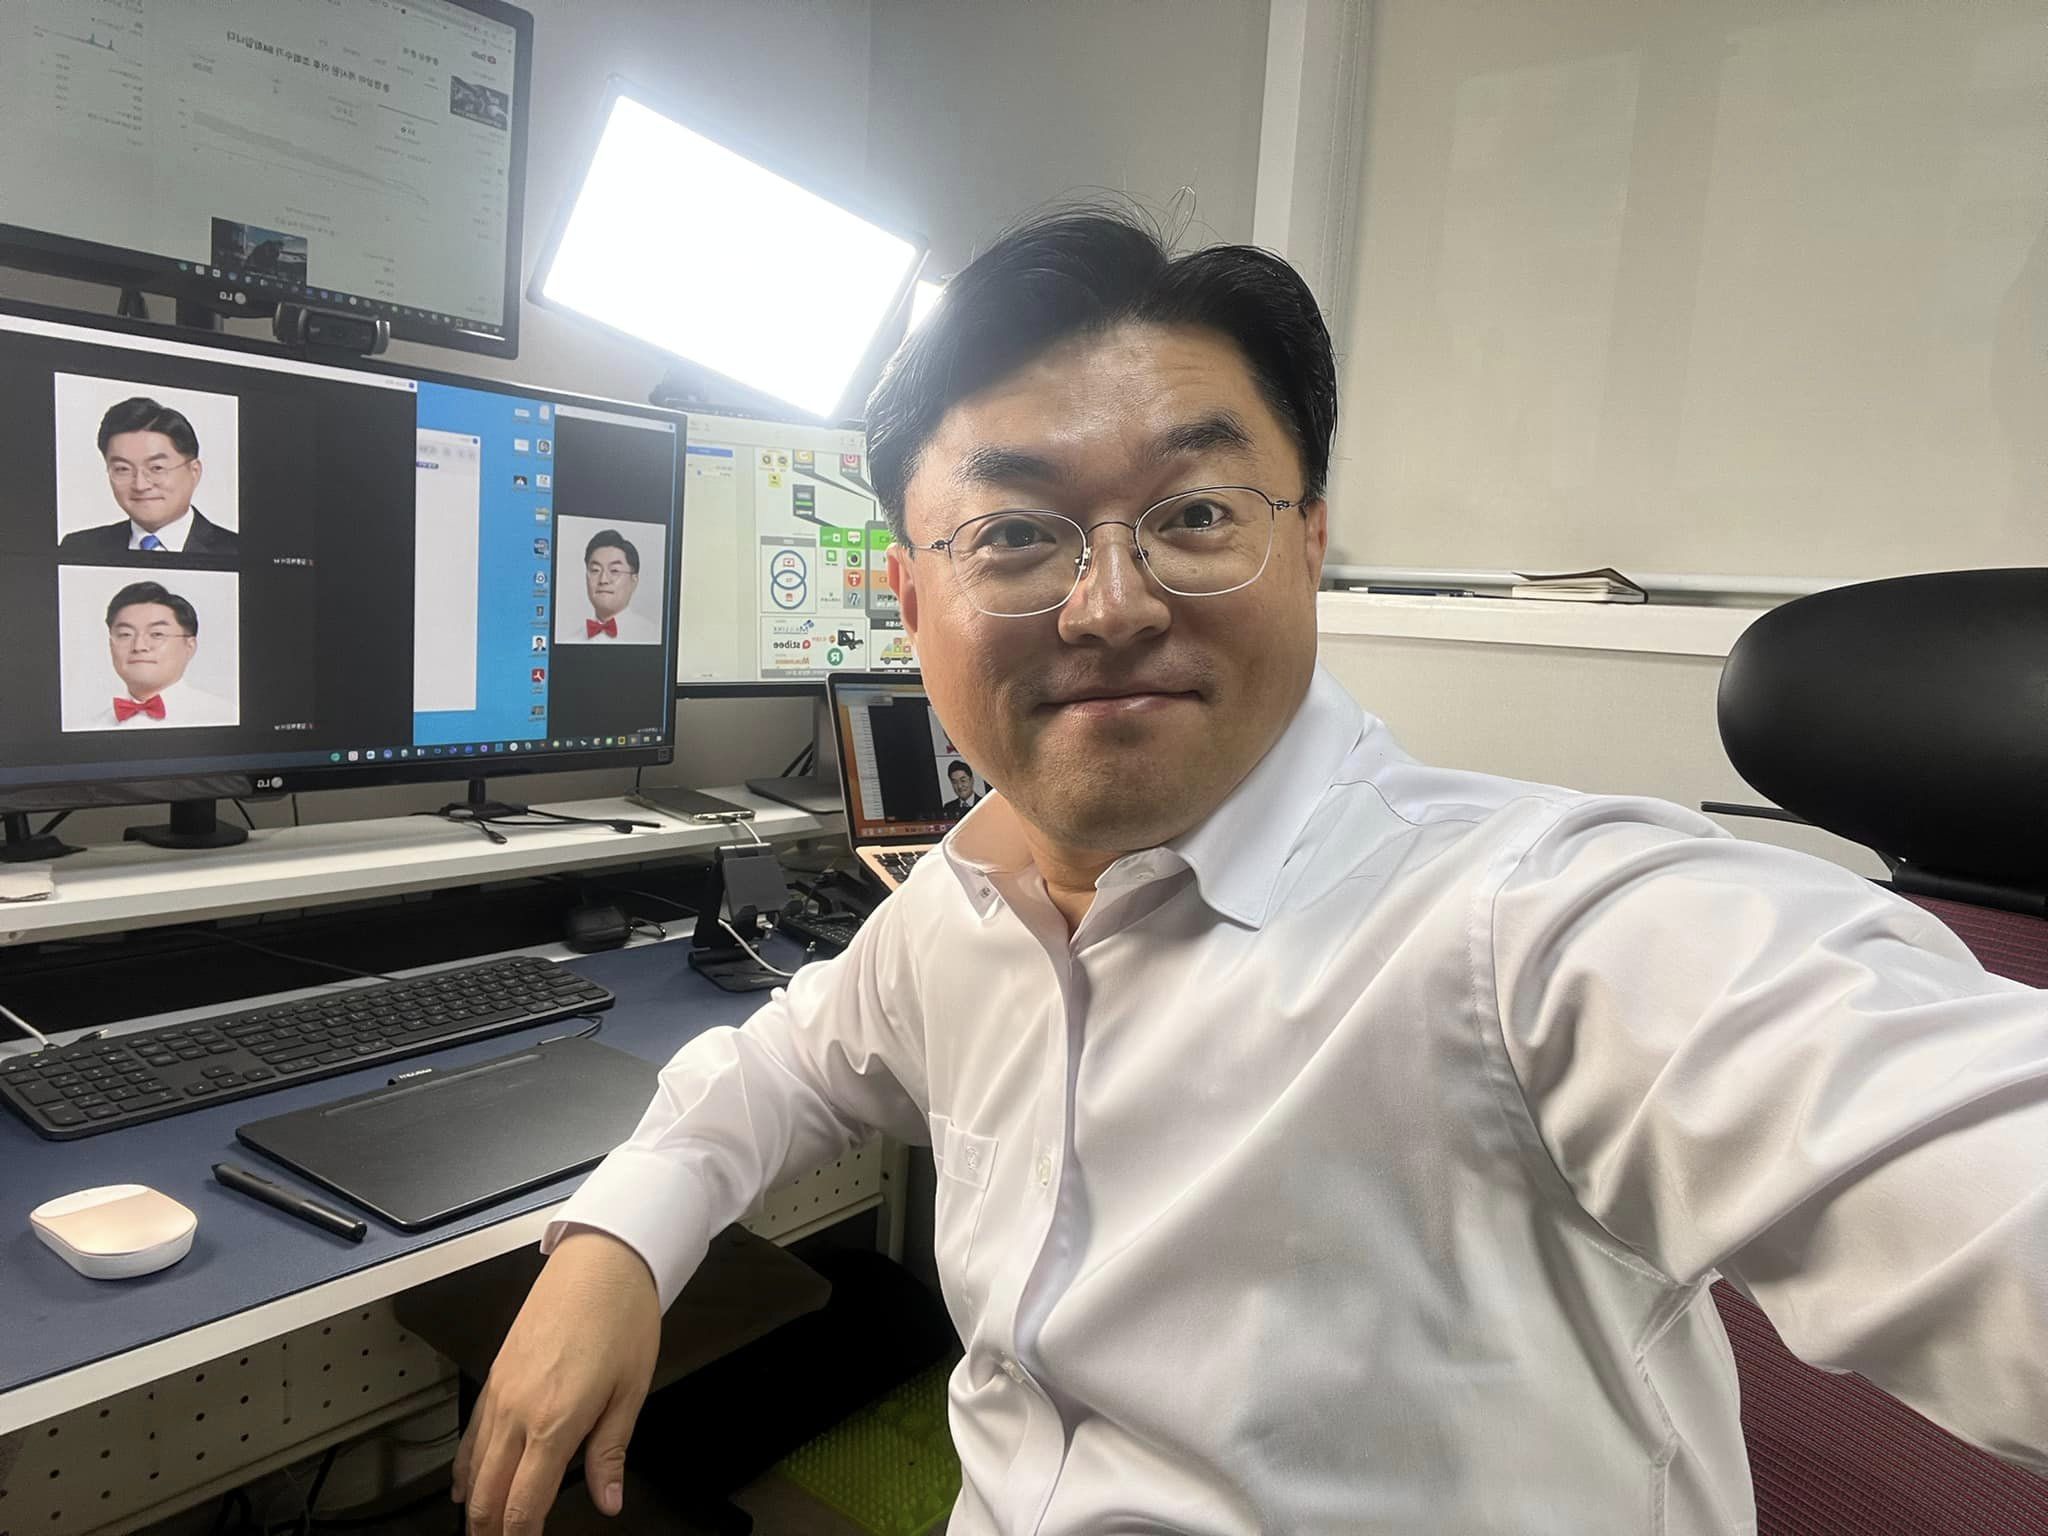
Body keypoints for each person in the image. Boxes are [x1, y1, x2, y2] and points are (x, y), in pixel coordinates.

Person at [451, 211, 2047, 1535]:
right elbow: (783, 1062)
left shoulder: (1536, 929)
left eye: (1196, 512)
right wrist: (620, 1241)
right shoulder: (965, 901)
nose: (1108, 605)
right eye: (1015, 536)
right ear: (912, 600)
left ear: (1310, 543)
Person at [59, 397, 239, 558]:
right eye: (122, 469)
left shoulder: (237, 549)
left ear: (194, 472)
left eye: (156, 468)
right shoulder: (79, 547)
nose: (140, 485)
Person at [87, 580, 232, 729]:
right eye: (125, 634)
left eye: (157, 634)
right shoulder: (95, 726)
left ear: (190, 646)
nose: (139, 646)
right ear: (111, 645)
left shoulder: (222, 716)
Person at [566, 529, 658, 644]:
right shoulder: (571, 641)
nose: (603, 580)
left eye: (614, 570)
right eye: (595, 570)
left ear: (634, 580)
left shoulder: (652, 636)